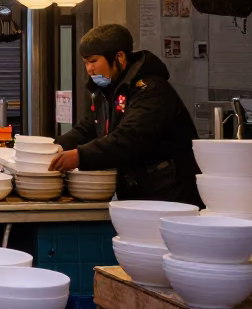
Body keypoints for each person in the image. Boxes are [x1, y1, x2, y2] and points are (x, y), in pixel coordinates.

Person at [51, 24, 202, 206]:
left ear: (119, 57)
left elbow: (129, 137)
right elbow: (89, 128)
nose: (89, 69)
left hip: (169, 195)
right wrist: (55, 148)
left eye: (93, 61)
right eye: (85, 63)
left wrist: (80, 156)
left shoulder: (150, 90)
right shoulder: (107, 91)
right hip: (137, 192)